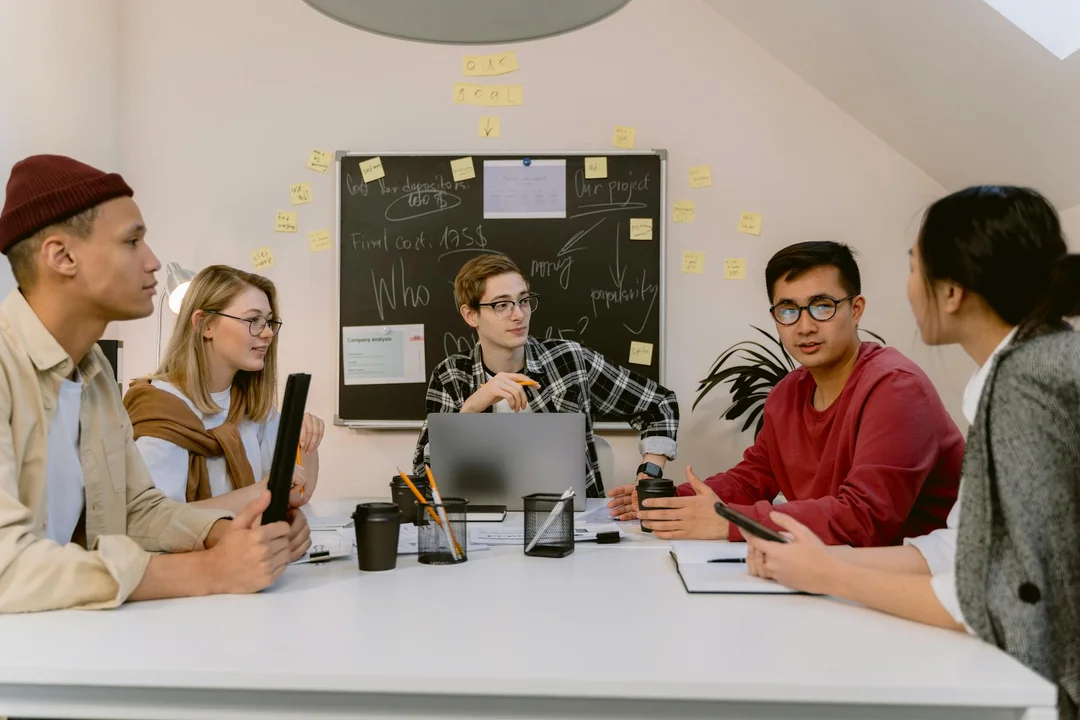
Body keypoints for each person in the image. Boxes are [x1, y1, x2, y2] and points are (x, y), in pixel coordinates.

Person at [744, 187, 1079, 720]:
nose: (908, 287)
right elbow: (966, 548)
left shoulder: (1028, 382)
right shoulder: (1026, 365)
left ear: (950, 293)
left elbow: (1006, 599)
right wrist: (823, 558)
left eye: (912, 268)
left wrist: (829, 575)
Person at [0, 154, 307, 613]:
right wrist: (210, 570)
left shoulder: (94, 375)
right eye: (132, 241)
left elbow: (137, 508)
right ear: (62, 256)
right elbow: (8, 568)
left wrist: (228, 533)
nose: (153, 261)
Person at [610, 241, 963, 545]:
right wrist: (671, 501)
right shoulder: (787, 394)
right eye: (788, 310)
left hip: (918, 586)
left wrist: (730, 522)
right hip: (831, 570)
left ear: (855, 310)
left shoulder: (896, 388)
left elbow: (865, 519)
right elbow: (752, 479)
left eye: (823, 306)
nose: (805, 326)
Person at [412, 253, 679, 497]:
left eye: (524, 300)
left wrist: (649, 475)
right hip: (481, 523)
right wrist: (470, 410)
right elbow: (424, 478)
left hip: (568, 520)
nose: (519, 315)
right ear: (471, 315)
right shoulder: (450, 375)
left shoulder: (570, 360)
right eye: (502, 305)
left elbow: (660, 404)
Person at [123, 265, 325, 514]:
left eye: (269, 321)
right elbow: (154, 520)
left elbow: (295, 496)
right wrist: (258, 492)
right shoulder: (159, 408)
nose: (268, 333)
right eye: (253, 320)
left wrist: (307, 440)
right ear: (204, 324)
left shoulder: (251, 406)